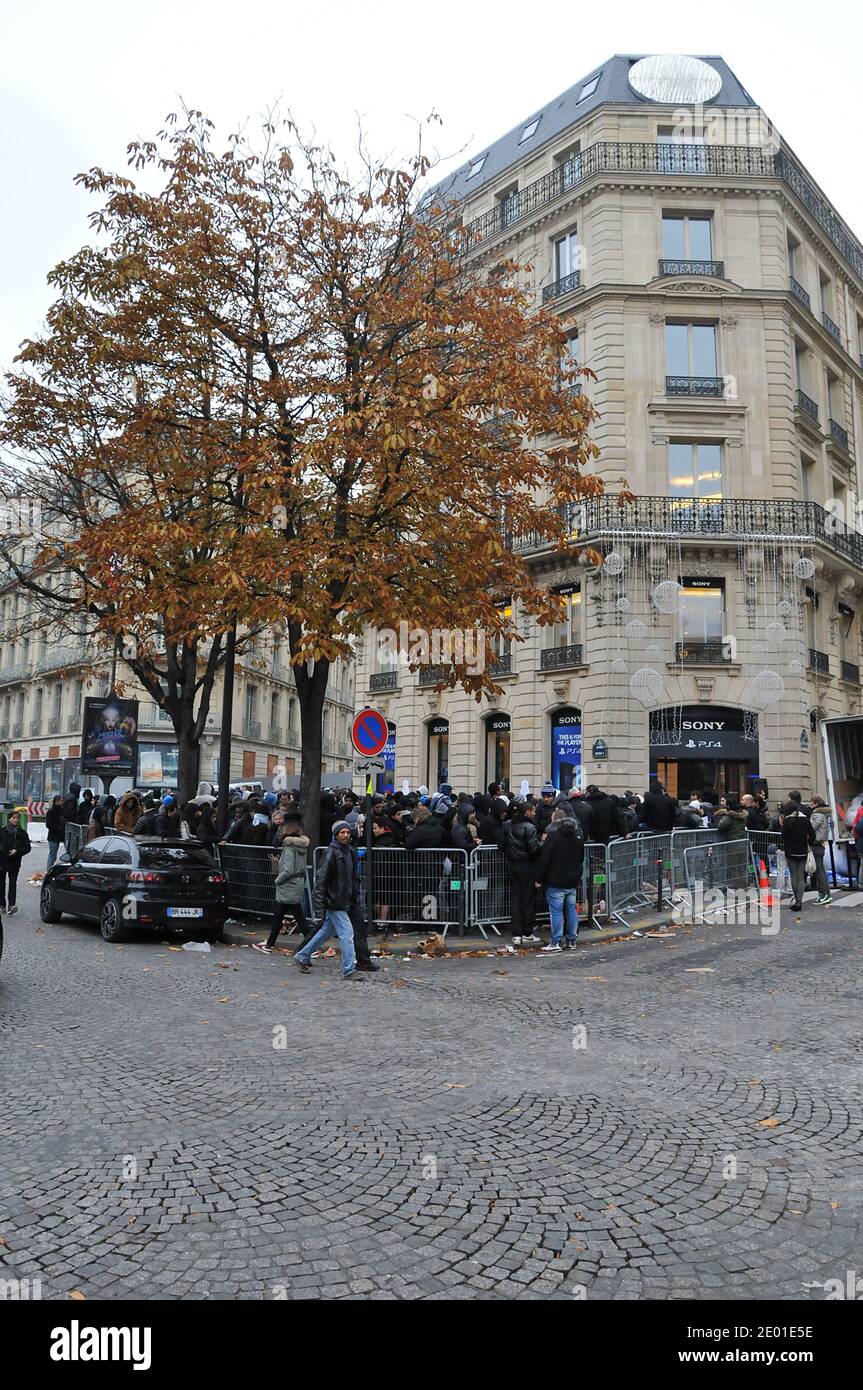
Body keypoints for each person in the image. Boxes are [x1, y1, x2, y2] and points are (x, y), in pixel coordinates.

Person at [294, 822, 364, 981]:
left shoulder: (348, 851)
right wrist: (319, 909)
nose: (346, 835)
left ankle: (302, 955)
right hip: (335, 901)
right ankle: (349, 969)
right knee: (347, 934)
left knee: (327, 932)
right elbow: (321, 881)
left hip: (341, 899)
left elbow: (352, 878)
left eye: (347, 832)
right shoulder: (331, 853)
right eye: (342, 833)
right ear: (336, 835)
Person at [253, 817, 311, 955]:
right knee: (285, 917)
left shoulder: (290, 847)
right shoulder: (300, 846)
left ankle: (310, 946)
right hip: (294, 884)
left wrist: (277, 880)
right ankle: (269, 944)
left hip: (287, 885)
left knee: (292, 918)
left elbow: (289, 869)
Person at [538, 808, 584, 952]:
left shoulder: (553, 837)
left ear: (555, 820)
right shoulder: (577, 836)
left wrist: (539, 878)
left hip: (556, 879)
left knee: (556, 911)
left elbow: (545, 860)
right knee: (571, 910)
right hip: (572, 880)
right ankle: (571, 940)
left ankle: (556, 941)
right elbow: (580, 858)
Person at [501, 798, 541, 945]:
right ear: (528, 812)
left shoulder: (507, 825)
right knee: (528, 899)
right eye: (533, 811)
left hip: (513, 865)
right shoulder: (529, 827)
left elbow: (502, 845)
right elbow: (533, 849)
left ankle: (517, 933)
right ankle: (527, 932)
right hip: (527, 865)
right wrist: (541, 846)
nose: (535, 814)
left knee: (516, 899)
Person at [779, 799, 816, 912]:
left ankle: (797, 900)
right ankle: (799, 900)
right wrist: (808, 843)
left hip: (790, 851)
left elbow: (783, 836)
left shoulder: (787, 821)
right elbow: (812, 835)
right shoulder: (805, 820)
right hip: (803, 851)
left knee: (793, 876)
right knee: (801, 877)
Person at [0, 810, 32, 914]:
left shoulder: (22, 833)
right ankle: (2, 905)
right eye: (14, 818)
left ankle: (12, 905)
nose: (16, 820)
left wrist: (17, 851)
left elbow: (27, 847)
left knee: (13, 883)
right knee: (1, 883)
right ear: (9, 819)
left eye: (17, 818)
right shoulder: (2, 831)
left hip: (15, 861)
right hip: (2, 861)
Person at [808, 796, 833, 904]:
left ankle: (824, 894)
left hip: (816, 843)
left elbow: (811, 828)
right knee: (820, 870)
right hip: (820, 843)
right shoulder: (822, 813)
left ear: (816, 803)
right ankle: (824, 894)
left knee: (818, 870)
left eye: (811, 802)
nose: (809, 804)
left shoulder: (817, 814)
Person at [45, 795, 65, 869]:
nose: (62, 802)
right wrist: (58, 828)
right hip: (53, 836)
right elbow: (48, 825)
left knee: (53, 855)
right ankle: (49, 871)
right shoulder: (51, 812)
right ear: (56, 801)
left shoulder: (63, 811)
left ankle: (49, 870)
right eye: (61, 800)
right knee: (53, 855)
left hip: (60, 835)